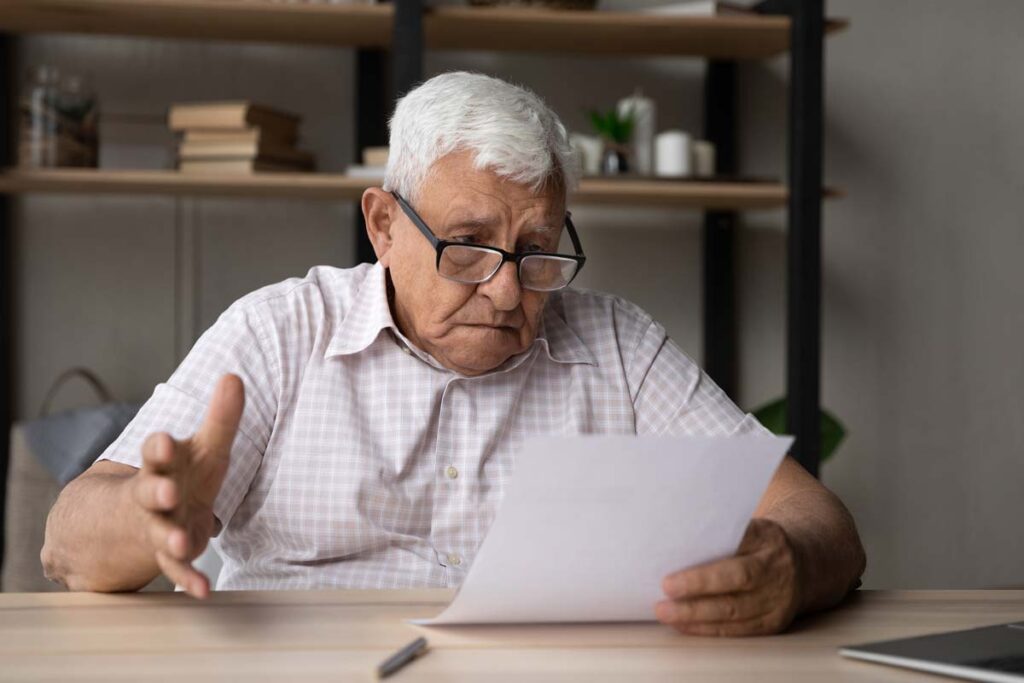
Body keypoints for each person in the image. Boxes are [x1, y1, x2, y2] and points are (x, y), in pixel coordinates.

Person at [42, 71, 865, 637]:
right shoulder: (280, 331)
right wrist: (145, 518)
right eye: (467, 247)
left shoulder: (616, 343)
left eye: (536, 250)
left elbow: (818, 518)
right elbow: (67, 541)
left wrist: (786, 561)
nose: (509, 293)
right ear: (385, 226)